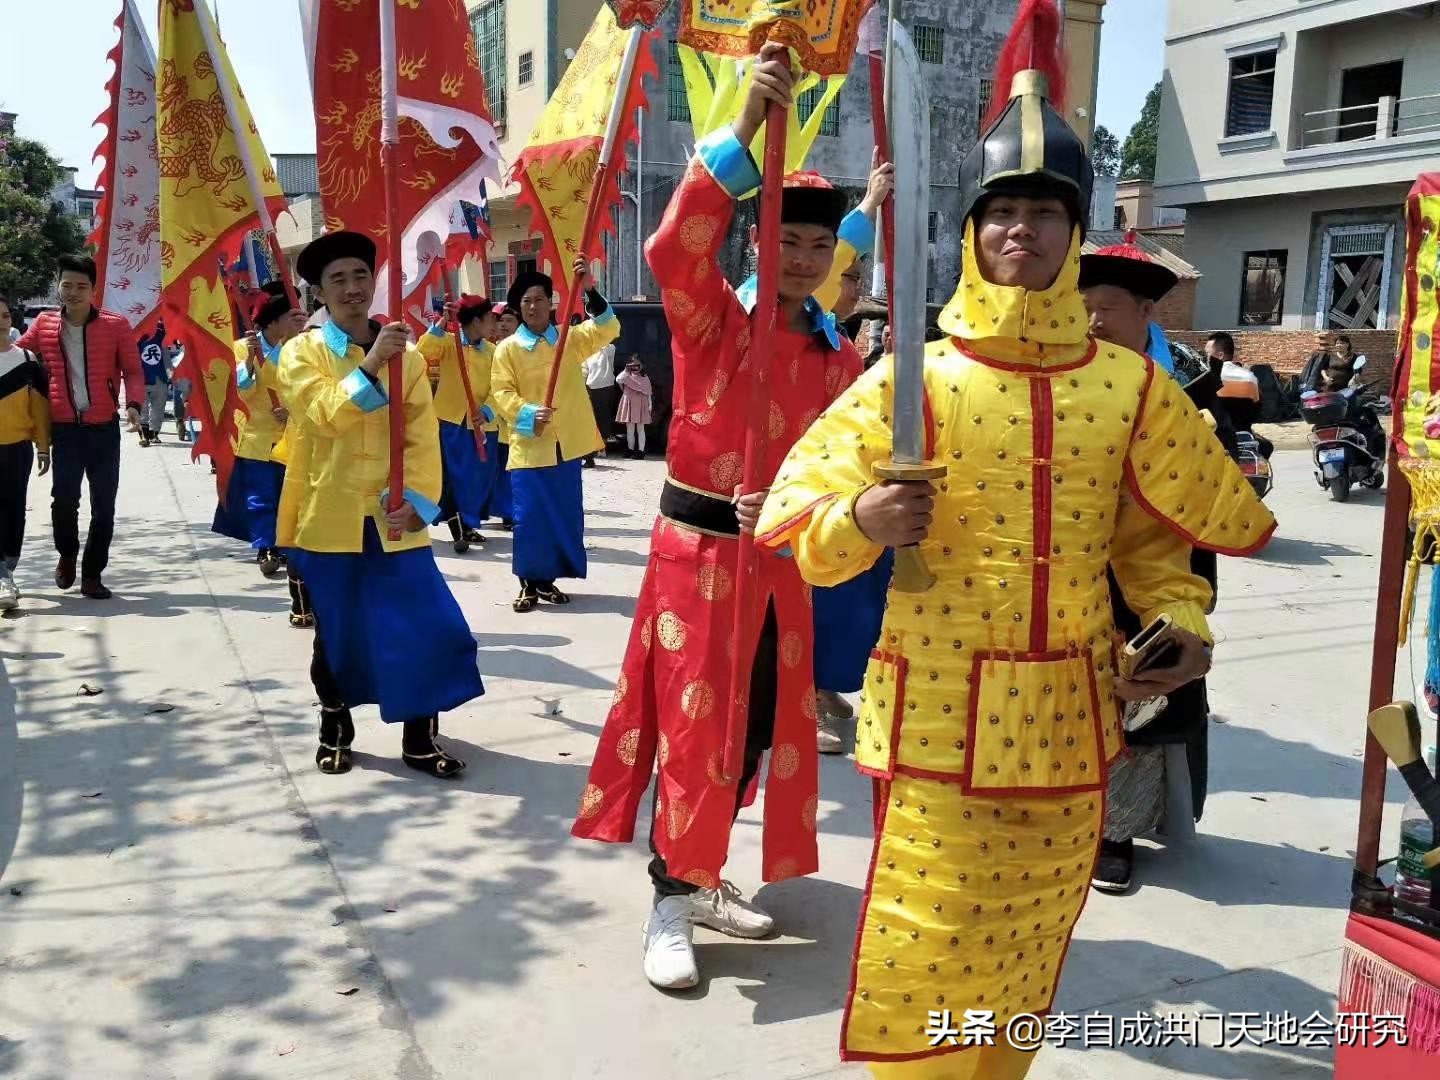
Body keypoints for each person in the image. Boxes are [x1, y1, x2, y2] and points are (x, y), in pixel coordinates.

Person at [754, 35, 1276, 1076]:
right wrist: (863, 517)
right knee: (930, 948)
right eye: (1002, 210)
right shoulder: (915, 377)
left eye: (1044, 211)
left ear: (1076, 234)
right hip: (937, 717)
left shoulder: (1129, 387)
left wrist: (1183, 626)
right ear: (972, 229)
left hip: (1070, 718)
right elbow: (795, 519)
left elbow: (1157, 555)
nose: (1020, 229)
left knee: (1028, 951)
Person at [570, 44, 863, 992]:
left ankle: (698, 878)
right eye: (789, 241)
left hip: (779, 565)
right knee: (697, 730)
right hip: (698, 557)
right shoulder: (714, 324)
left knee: (758, 732)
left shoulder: (837, 358)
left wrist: (803, 503)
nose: (804, 260)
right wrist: (743, 126)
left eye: (819, 247)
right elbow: (671, 249)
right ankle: (670, 895)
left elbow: (845, 461)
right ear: (758, 244)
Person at [277, 230, 483, 779]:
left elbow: (421, 435)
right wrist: (370, 364)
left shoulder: (406, 357)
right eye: (337, 279)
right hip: (329, 516)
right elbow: (323, 414)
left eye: (360, 275)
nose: (352, 288)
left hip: (394, 519)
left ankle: (419, 736)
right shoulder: (301, 352)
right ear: (320, 292)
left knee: (428, 626)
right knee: (338, 635)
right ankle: (335, 723)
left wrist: (419, 500)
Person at [1079, 239, 1235, 893]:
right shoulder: (1063, 381)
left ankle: (1117, 832)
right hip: (1079, 561)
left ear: (1146, 311)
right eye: (1083, 307)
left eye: (1108, 307)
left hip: (1158, 566)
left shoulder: (1186, 390)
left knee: (1142, 694)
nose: (1093, 321)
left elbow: (1219, 489)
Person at [806, 157, 894, 753]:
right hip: (806, 490)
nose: (853, 285)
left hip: (852, 485)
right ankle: (806, 694)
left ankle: (830, 683)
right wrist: (868, 206)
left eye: (860, 277)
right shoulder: (789, 324)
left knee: (864, 591)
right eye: (848, 275)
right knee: (825, 596)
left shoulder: (841, 342)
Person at [490, 256, 620, 613]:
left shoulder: (569, 339)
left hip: (567, 447)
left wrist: (589, 288)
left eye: (539, 299)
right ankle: (528, 582)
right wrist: (528, 413)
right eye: (526, 301)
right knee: (530, 517)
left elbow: (608, 328)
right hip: (530, 446)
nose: (533, 306)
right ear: (519, 307)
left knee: (562, 515)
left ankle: (547, 580)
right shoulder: (507, 349)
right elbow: (501, 393)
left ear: (551, 303)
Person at [17, 254, 143, 600]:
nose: (73, 292)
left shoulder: (116, 325)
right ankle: (67, 554)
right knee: (63, 500)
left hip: (104, 429)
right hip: (64, 430)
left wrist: (133, 405)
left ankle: (92, 574)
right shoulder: (44, 324)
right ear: (58, 286)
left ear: (93, 290)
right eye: (67, 285)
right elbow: (16, 356)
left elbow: (133, 370)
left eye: (81, 286)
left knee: (104, 507)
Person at [212, 282, 307, 582]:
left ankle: (286, 544)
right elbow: (237, 390)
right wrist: (251, 362)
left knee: (289, 496)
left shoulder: (304, 347)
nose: (299, 321)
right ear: (274, 320)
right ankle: (266, 547)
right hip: (256, 437)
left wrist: (291, 410)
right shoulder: (243, 347)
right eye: (292, 316)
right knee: (260, 496)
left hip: (293, 435)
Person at [418, 295, 500, 554]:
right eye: (489, 319)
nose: (494, 325)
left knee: (479, 478)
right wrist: (443, 321)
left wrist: (487, 410)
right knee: (453, 477)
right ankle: (459, 526)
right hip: (451, 421)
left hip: (482, 425)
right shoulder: (449, 343)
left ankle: (468, 522)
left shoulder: (493, 352)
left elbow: (500, 386)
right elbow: (423, 349)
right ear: (476, 321)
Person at [0, 295, 51, 611]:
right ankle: (2, 577)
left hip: (18, 449)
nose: (1, 321)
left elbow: (40, 408)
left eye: (5, 315)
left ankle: (7, 569)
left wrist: (43, 446)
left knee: (14, 509)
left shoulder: (28, 361)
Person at [583, 341, 617, 467]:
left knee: (604, 419)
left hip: (606, 387)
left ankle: (602, 447)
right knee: (592, 420)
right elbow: (584, 371)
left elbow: (609, 347)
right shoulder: (587, 354)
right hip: (591, 388)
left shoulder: (608, 349)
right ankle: (591, 450)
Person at [137, 320, 170, 446]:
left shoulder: (161, 331)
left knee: (158, 407)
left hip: (159, 376)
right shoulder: (135, 331)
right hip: (141, 377)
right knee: (142, 408)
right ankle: (144, 435)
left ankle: (154, 433)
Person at [615, 355, 652, 459]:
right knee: (630, 429)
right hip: (629, 403)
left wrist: (649, 405)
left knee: (640, 429)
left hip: (641, 404)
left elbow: (648, 392)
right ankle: (630, 450)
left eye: (637, 364)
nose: (635, 366)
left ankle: (641, 451)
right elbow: (618, 379)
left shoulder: (645, 377)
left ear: (641, 365)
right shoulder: (626, 376)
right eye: (633, 364)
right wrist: (626, 370)